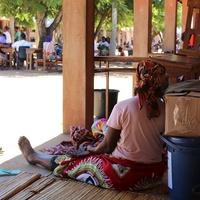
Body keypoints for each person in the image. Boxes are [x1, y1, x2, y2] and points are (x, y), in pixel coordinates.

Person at [18, 60, 168, 191]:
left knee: (74, 161)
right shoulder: (166, 108)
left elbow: (107, 147)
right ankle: (38, 156)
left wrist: (92, 149)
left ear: (139, 77)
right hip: (153, 176)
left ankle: (35, 157)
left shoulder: (124, 106)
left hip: (123, 176)